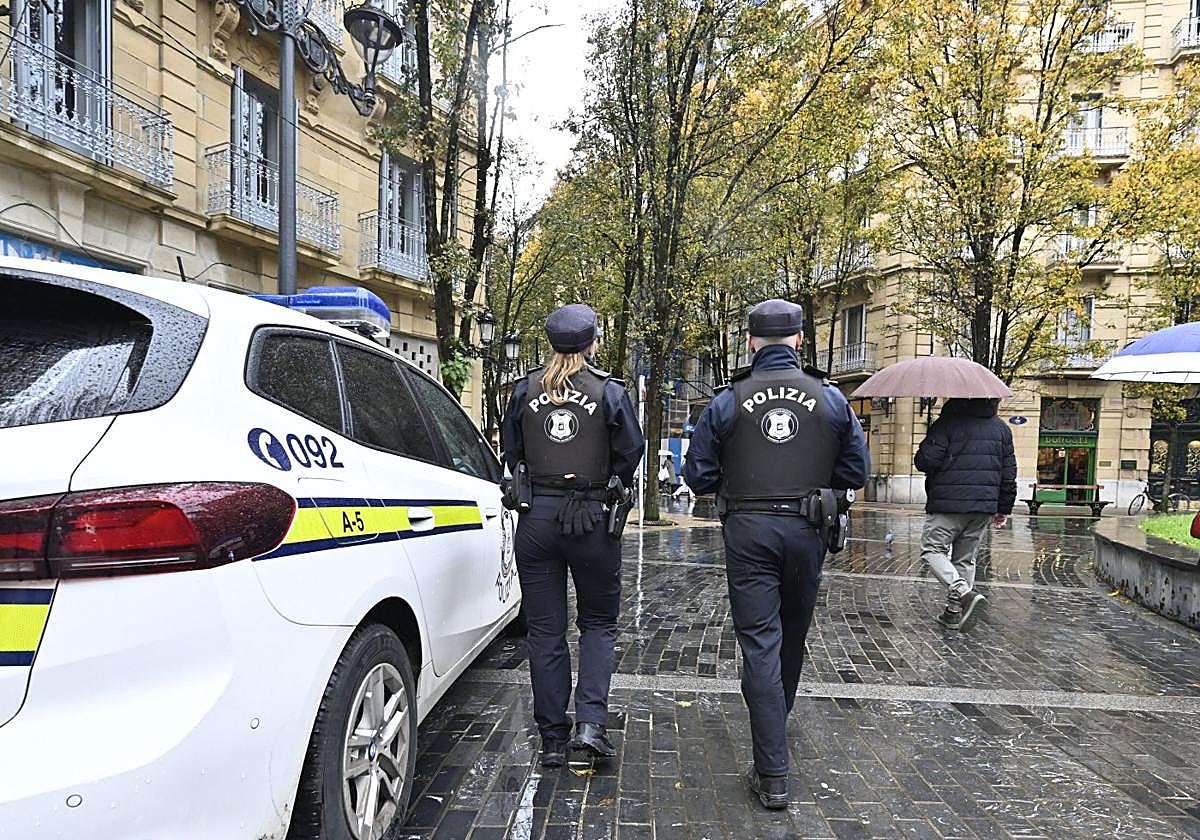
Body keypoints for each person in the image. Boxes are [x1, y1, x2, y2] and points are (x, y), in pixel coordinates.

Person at [683, 299, 868, 810]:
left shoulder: (728, 400)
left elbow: (696, 475)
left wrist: (735, 483)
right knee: (791, 641)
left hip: (748, 529)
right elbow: (857, 471)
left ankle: (772, 770)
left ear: (750, 342)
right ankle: (774, 742)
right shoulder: (830, 398)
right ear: (800, 340)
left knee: (760, 645)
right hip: (808, 528)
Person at [500, 303, 645, 768]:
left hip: (537, 518)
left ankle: (551, 738)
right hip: (592, 518)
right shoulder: (609, 393)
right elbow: (631, 451)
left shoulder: (523, 390)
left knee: (545, 630)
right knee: (598, 623)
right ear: (593, 342)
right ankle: (590, 726)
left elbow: (512, 450)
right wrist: (599, 484)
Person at [914, 397, 1016, 631]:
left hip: (948, 504)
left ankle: (963, 593)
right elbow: (1009, 472)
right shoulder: (1001, 428)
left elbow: (926, 461)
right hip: (982, 506)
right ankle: (952, 613)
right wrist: (1003, 507)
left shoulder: (947, 423)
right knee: (965, 559)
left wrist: (928, 442)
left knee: (932, 550)